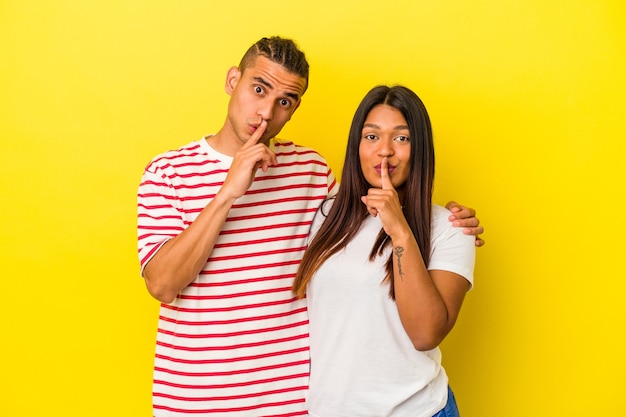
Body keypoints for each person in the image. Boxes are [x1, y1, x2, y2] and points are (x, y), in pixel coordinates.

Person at [137, 37, 483, 416]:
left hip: (293, 403)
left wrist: (445, 220)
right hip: (195, 401)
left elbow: (364, 221)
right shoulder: (167, 172)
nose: (266, 112)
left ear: (294, 108)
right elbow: (162, 284)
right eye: (258, 89)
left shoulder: (311, 173)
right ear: (232, 80)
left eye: (284, 101)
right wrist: (227, 193)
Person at [293, 85, 476, 417]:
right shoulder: (323, 218)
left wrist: (399, 229)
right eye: (372, 137)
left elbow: (425, 334)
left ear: (419, 149)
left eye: (402, 138)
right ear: (357, 146)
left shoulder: (450, 229)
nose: (385, 151)